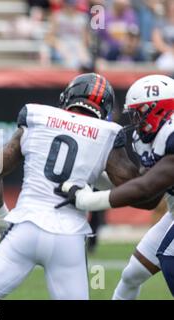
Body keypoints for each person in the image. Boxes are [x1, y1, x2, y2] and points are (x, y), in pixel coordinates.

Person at [0, 73, 139, 300]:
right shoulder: (107, 133)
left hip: (26, 226)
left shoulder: (37, 116)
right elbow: (136, 189)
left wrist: (0, 216)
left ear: (67, 96)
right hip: (69, 237)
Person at [57, 74, 174, 298]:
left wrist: (87, 199)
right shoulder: (151, 138)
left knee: (169, 258)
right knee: (132, 274)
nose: (135, 121)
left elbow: (145, 189)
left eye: (139, 113)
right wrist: (94, 174)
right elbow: (144, 189)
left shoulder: (171, 134)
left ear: (158, 110)